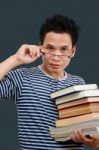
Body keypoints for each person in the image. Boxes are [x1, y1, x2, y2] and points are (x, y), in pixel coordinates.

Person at [0, 14, 99, 150]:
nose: (56, 57)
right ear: (41, 47)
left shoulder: (79, 83)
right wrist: (16, 59)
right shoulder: (22, 77)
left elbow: (94, 142)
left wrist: (92, 142)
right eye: (50, 48)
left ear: (73, 51)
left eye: (64, 49)